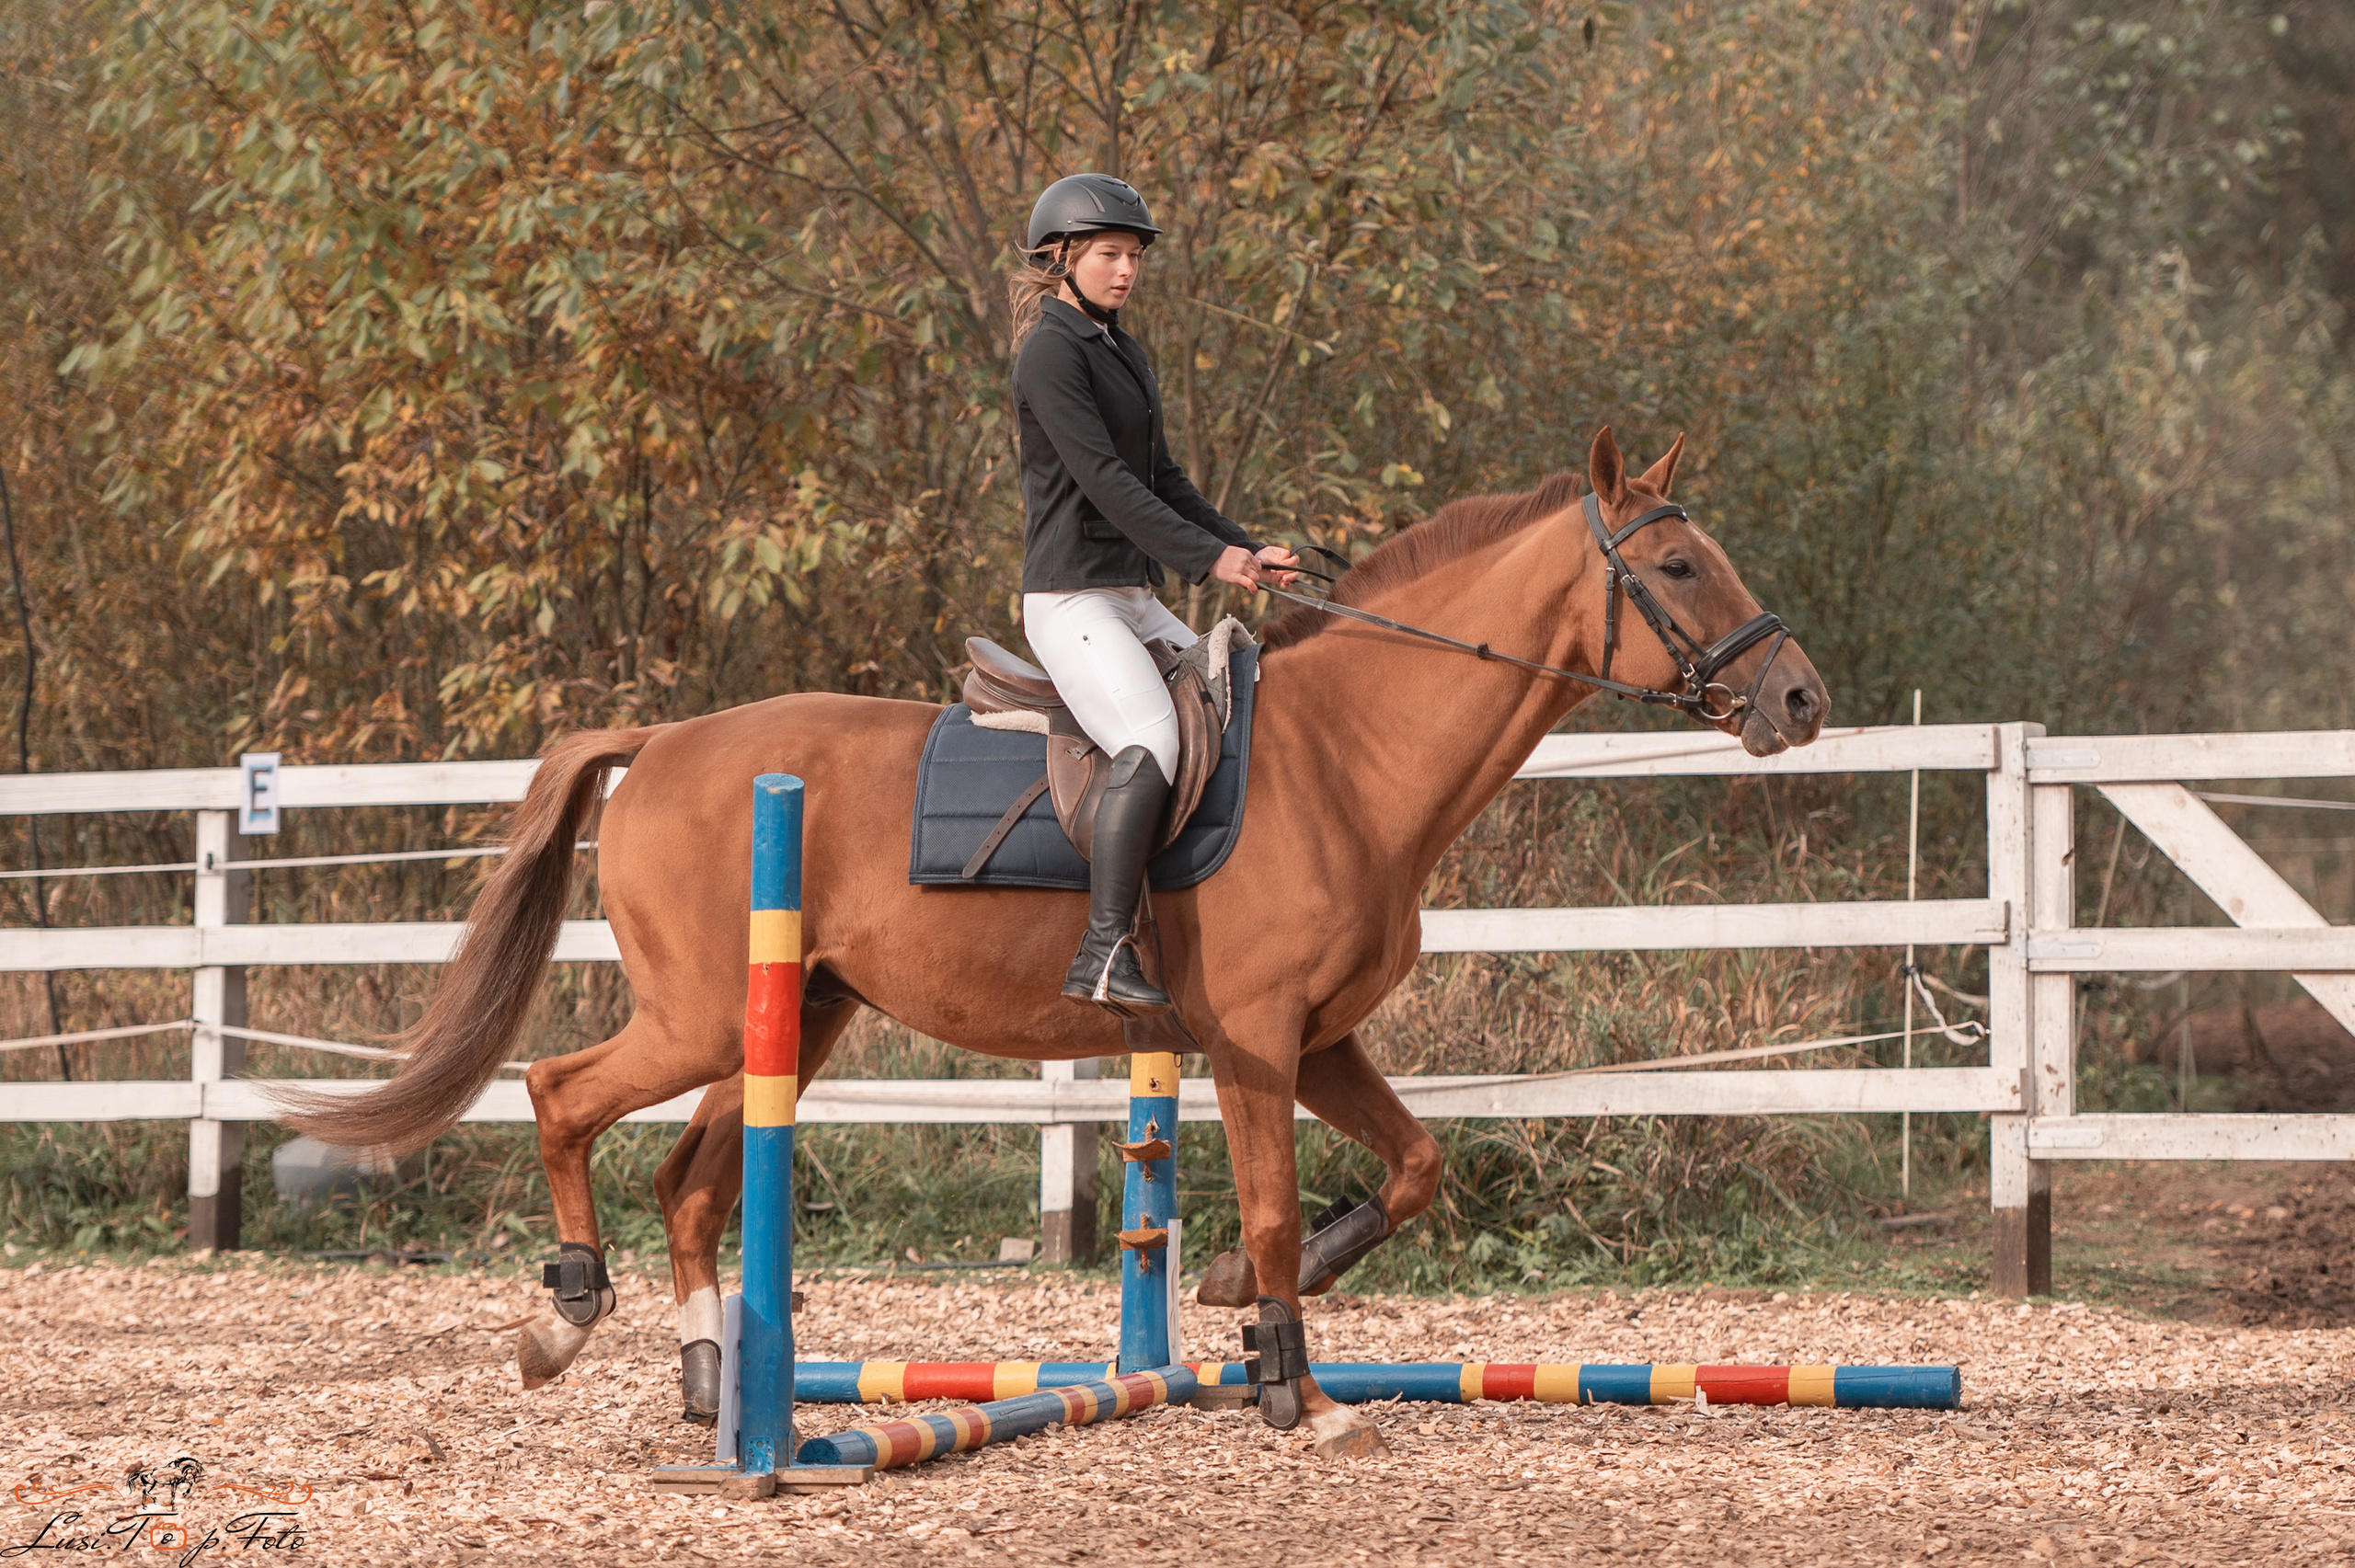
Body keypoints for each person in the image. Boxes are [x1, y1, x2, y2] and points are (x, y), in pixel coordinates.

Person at [1008, 173, 1298, 1017]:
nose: (1126, 270)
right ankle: (1102, 952)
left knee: (1244, 690)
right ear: (1060, 257)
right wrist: (1211, 561)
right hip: (1071, 599)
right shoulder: (1050, 351)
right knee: (1151, 735)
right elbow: (1103, 482)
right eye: (1109, 254)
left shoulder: (1120, 347)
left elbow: (1161, 477)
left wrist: (1241, 545)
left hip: (1130, 592)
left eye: (1133, 256)